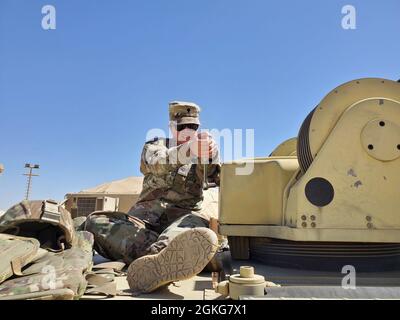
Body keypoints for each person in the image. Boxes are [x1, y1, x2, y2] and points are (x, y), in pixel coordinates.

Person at [86, 101, 221, 293]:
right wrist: (189, 150)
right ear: (171, 127)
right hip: (142, 224)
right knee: (95, 222)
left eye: (193, 126)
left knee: (196, 225)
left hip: (182, 221)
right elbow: (156, 163)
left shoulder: (203, 154)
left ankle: (161, 257)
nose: (188, 130)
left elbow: (217, 180)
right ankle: (166, 258)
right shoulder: (154, 145)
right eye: (182, 126)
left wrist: (211, 156)